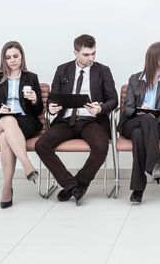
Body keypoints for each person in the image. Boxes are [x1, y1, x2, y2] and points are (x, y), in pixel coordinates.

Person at [35, 34, 118, 205]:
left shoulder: (103, 70)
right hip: (66, 120)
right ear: (75, 52)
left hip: (92, 121)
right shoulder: (62, 70)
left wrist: (101, 108)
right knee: (41, 145)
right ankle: (71, 185)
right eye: (86, 55)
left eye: (94, 53)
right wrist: (51, 107)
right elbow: (52, 98)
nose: (91, 58)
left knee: (101, 147)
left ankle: (79, 183)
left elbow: (114, 99)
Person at [0, 41, 43, 209]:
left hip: (25, 122)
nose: (12, 60)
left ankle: (6, 187)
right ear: (3, 59)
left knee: (6, 136)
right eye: (8, 57)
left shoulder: (31, 77)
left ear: (22, 56)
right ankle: (27, 164)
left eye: (15, 56)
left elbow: (38, 110)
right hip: (0, 121)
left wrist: (34, 100)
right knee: (8, 121)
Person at [118, 42, 160, 204]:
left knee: (139, 134)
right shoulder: (135, 79)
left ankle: (138, 190)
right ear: (156, 57)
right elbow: (128, 108)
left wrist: (151, 116)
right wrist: (141, 111)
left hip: (157, 125)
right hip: (132, 122)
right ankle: (155, 163)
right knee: (143, 122)